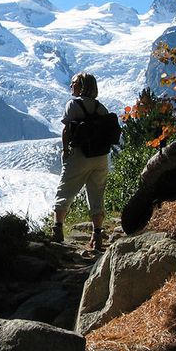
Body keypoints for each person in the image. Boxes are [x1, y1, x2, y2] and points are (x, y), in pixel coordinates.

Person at [53, 72, 109, 251]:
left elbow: (66, 130)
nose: (71, 86)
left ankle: (57, 230)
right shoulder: (101, 108)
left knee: (65, 189)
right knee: (97, 193)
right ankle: (97, 235)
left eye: (74, 83)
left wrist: (65, 150)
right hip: (100, 157)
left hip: (80, 155)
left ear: (83, 85)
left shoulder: (73, 105)